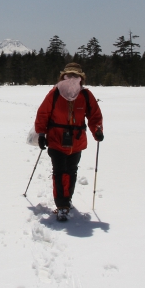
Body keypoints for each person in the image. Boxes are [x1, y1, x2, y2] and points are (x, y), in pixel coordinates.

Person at [34, 62, 103, 221]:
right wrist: (41, 134)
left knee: (71, 171)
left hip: (76, 141)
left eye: (75, 76)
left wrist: (97, 130)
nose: (72, 78)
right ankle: (62, 205)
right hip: (56, 139)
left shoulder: (85, 95)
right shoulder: (54, 93)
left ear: (81, 78)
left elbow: (95, 116)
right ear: (63, 77)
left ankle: (66, 199)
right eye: (69, 75)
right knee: (59, 171)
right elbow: (43, 114)